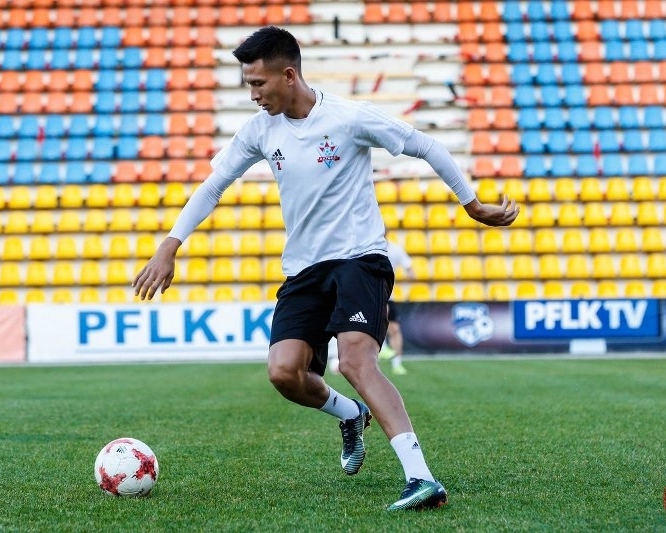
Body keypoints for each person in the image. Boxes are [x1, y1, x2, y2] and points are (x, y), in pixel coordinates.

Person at [133, 26, 519, 510]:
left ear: (288, 75)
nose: (253, 95)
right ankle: (349, 414)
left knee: (356, 361)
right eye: (248, 84)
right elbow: (213, 186)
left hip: (360, 258)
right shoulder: (259, 130)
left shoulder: (348, 117)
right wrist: (170, 245)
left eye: (258, 83)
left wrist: (472, 203)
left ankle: (421, 478)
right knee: (284, 373)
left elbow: (425, 145)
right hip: (304, 269)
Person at [378, 239, 416, 375]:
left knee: (395, 329)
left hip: (389, 295)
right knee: (383, 314)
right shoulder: (367, 246)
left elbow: (410, 271)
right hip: (373, 294)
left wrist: (407, 276)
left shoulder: (395, 249)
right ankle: (382, 348)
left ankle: (397, 363)